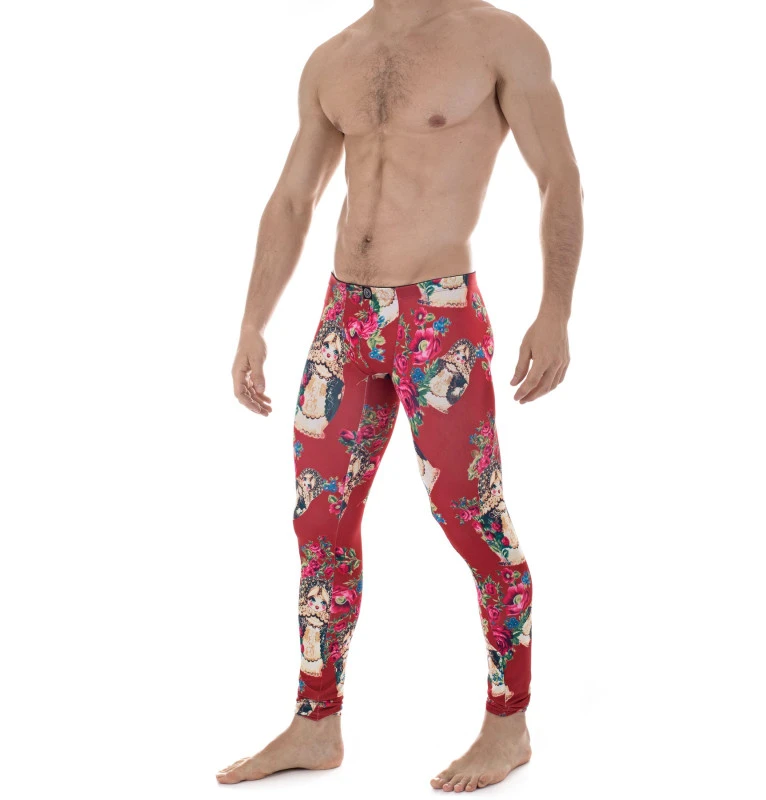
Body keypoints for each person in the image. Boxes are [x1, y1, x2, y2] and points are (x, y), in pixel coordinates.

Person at [218, 0, 583, 792]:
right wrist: (252, 321)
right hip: (343, 317)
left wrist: (554, 311)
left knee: (472, 519)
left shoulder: (495, 38)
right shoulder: (334, 56)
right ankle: (316, 725)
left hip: (438, 316)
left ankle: (508, 723)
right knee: (319, 522)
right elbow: (293, 198)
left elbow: (559, 177)